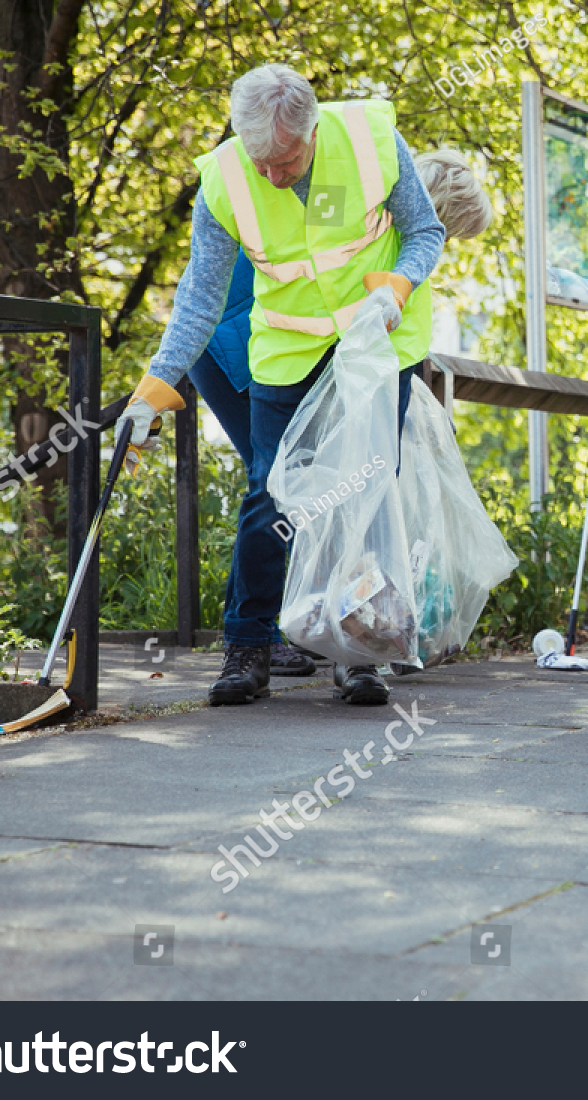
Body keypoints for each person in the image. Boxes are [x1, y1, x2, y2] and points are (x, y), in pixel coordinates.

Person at [116, 64, 445, 708]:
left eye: (284, 159)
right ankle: (248, 645)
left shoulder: (373, 138)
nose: (270, 173)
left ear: (312, 130)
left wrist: (397, 290)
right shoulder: (223, 177)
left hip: (377, 341)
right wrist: (153, 388)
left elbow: (425, 231)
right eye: (258, 159)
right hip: (286, 348)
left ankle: (357, 653)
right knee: (269, 490)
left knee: (364, 491)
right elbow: (201, 294)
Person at [185, 150, 494, 682]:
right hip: (237, 353)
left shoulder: (379, 228)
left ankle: (328, 629)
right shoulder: (358, 225)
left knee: (308, 489)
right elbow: (243, 310)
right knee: (282, 485)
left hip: (264, 351)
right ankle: (266, 633)